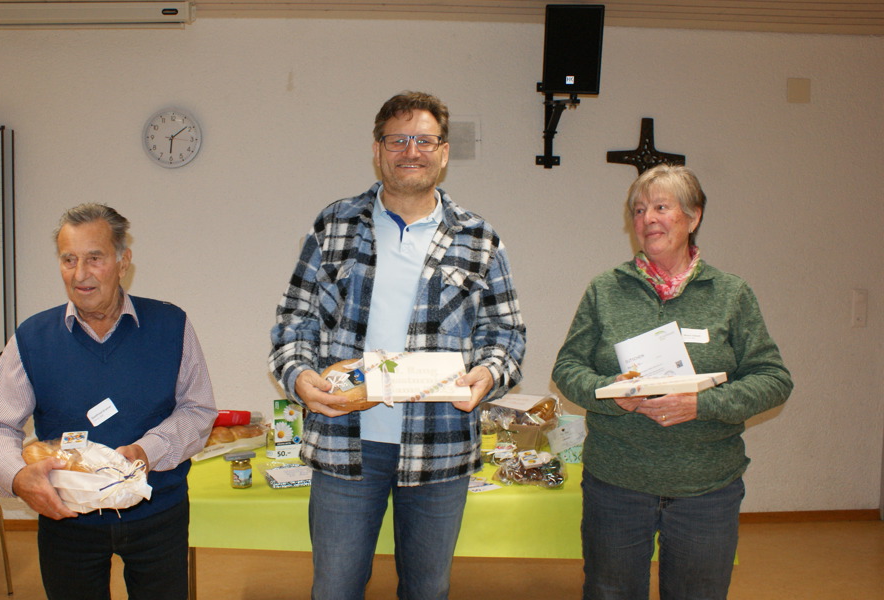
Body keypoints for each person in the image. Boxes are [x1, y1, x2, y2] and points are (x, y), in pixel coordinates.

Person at [268, 91, 526, 600]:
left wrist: (490, 373)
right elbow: (295, 319)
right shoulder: (334, 225)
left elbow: (506, 333)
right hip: (345, 440)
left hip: (440, 444)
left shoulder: (479, 238)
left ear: (444, 152)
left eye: (425, 140)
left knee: (427, 590)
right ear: (377, 150)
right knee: (335, 589)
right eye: (397, 139)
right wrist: (299, 375)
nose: (411, 151)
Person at [551, 164, 793, 600]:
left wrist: (703, 404)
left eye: (661, 207)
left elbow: (774, 379)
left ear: (693, 216)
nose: (648, 219)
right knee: (610, 592)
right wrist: (611, 395)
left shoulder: (731, 294)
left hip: (707, 488)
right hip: (617, 483)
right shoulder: (605, 290)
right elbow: (568, 368)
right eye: (639, 210)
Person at [0, 203, 217, 600]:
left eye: (94, 258)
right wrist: (18, 477)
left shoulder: (171, 325)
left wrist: (147, 451)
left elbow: (198, 409)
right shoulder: (32, 338)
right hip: (67, 518)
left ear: (123, 262)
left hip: (157, 512)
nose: (80, 274)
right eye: (68, 259)